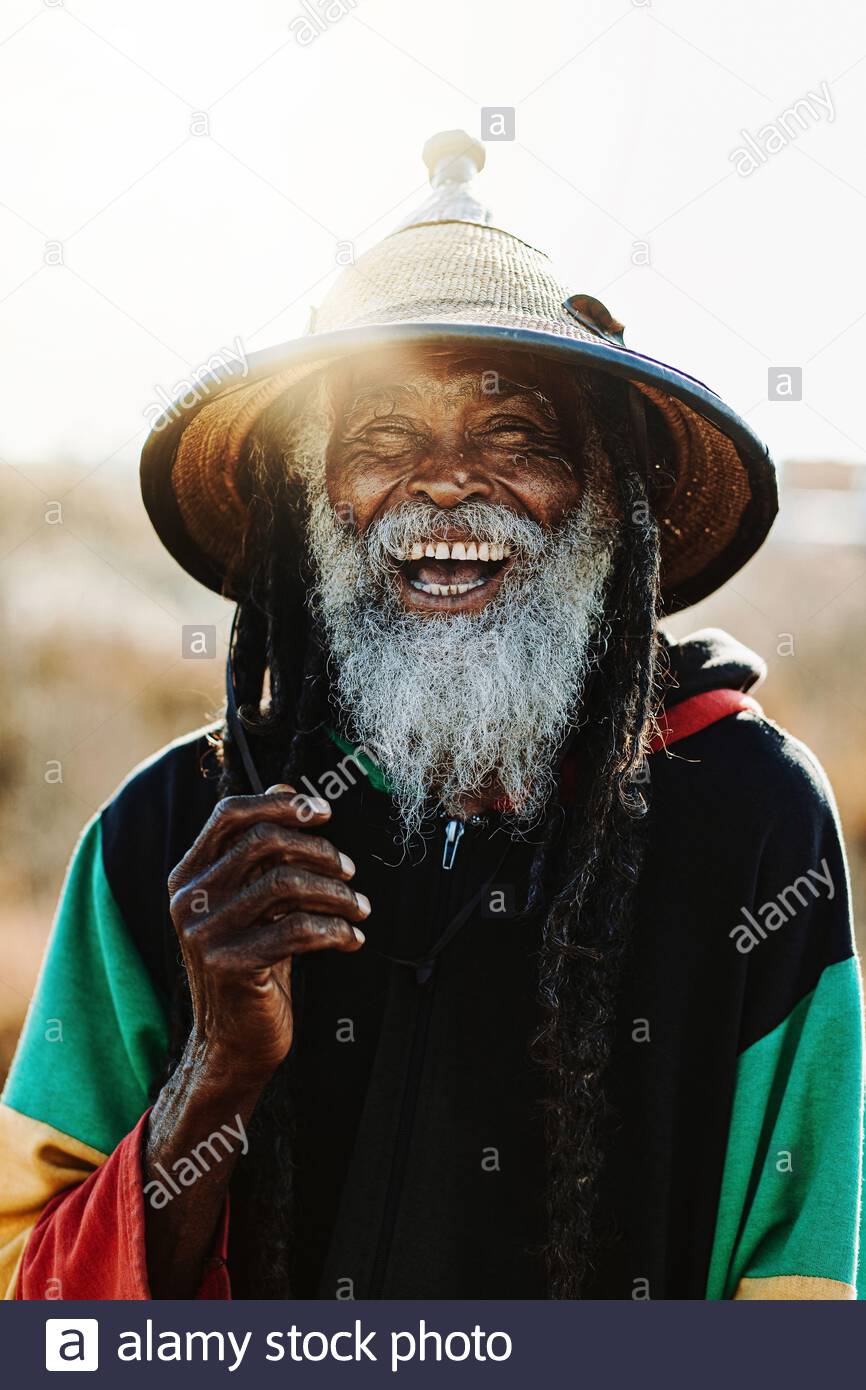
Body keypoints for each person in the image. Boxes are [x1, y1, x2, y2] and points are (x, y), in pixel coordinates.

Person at [1, 131, 861, 1301]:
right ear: (310, 503)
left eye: (516, 437)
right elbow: (34, 1310)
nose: (448, 482)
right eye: (382, 439)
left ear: (608, 503)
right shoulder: (171, 836)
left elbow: (800, 1294)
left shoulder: (749, 817)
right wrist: (211, 1077)